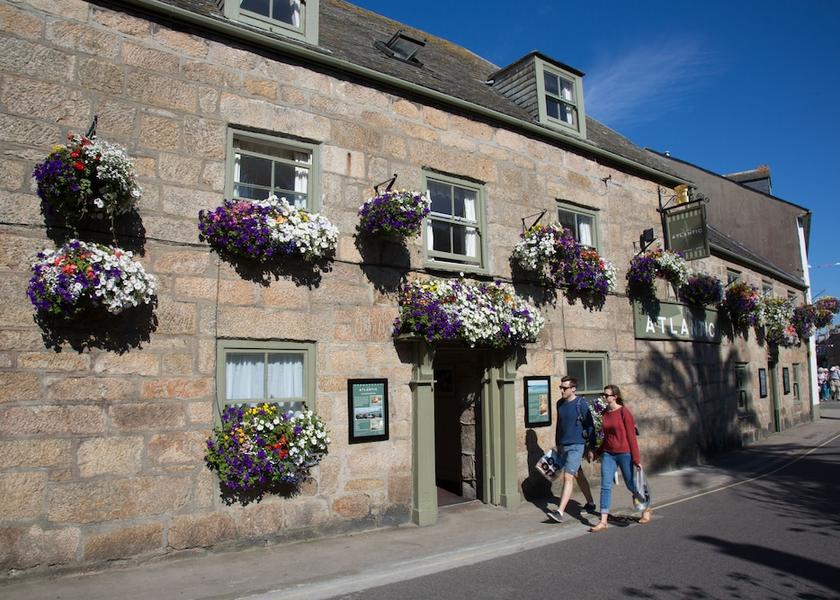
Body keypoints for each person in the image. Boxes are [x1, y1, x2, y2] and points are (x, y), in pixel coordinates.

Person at [588, 384, 651, 532]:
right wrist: (598, 452)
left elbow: (631, 436)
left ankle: (646, 507)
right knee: (605, 485)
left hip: (624, 453)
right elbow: (606, 437)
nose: (604, 397)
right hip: (609, 454)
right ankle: (603, 521)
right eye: (603, 395)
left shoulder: (624, 412)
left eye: (607, 395)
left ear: (615, 397)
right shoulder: (604, 413)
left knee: (630, 484)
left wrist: (636, 459)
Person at [547, 376, 597, 522]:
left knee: (568, 476)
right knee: (578, 474)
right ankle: (591, 503)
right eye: (560, 387)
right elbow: (559, 425)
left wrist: (591, 447)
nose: (562, 390)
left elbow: (590, 426)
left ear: (573, 388)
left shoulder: (581, 404)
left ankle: (560, 512)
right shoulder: (559, 404)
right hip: (564, 445)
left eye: (565, 388)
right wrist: (558, 444)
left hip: (577, 445)